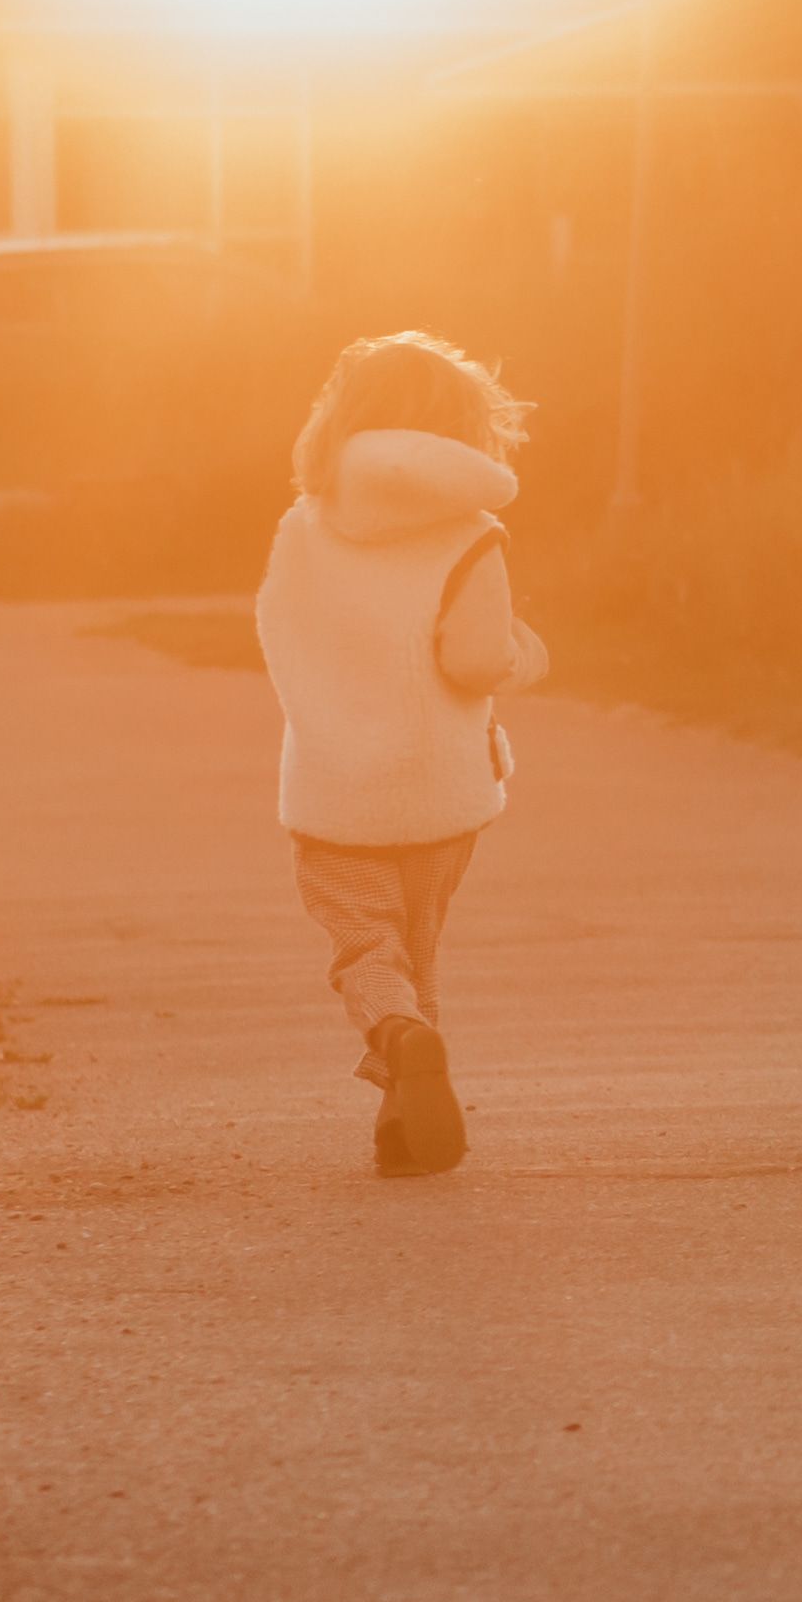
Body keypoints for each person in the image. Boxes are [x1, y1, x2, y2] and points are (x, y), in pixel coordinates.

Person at [259, 331, 555, 1177]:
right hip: (441, 791)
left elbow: (291, 633)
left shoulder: (304, 527)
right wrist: (524, 656)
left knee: (366, 950)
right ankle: (405, 1120)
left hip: (335, 792)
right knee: (415, 949)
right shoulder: (472, 535)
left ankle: (400, 1043)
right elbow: (472, 659)